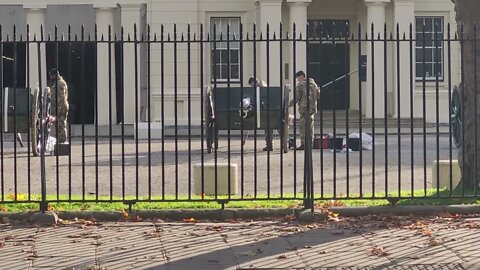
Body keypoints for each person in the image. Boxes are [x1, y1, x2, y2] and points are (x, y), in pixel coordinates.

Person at [289, 70, 320, 150]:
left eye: (298, 78)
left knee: (303, 127)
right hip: (312, 108)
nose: (298, 80)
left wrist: (288, 105)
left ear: (301, 76)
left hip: (304, 108)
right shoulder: (313, 84)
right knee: (311, 127)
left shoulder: (300, 85)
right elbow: (318, 95)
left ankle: (303, 144)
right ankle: (311, 143)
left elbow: (296, 98)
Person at [248, 77, 275, 151]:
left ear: (253, 83)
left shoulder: (260, 88)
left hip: (265, 110)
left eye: (251, 84)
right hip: (269, 109)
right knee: (270, 128)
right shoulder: (264, 86)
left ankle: (269, 145)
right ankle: (272, 144)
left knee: (268, 128)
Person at [48, 68, 69, 144]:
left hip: (61, 107)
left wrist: (56, 110)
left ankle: (62, 139)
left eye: (51, 76)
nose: (50, 78)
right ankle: (60, 139)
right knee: (58, 124)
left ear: (55, 75)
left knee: (61, 124)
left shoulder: (60, 84)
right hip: (59, 106)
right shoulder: (57, 83)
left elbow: (61, 98)